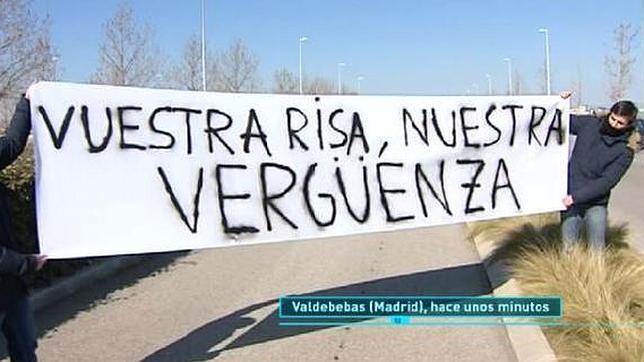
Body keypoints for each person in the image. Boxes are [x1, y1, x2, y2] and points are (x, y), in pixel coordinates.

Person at [0, 87, 47, 362]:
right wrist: (25, 263)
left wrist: (27, 101)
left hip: (9, 289)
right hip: (10, 276)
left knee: (25, 349)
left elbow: (12, 144)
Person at [560, 90, 640, 250]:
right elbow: (560, 120)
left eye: (620, 123)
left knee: (597, 249)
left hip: (596, 204)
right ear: (609, 113)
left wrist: (576, 197)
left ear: (629, 124)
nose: (614, 124)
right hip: (571, 198)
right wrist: (561, 102)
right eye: (613, 119)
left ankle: (595, 274)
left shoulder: (625, 151)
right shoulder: (590, 124)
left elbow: (607, 181)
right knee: (569, 247)